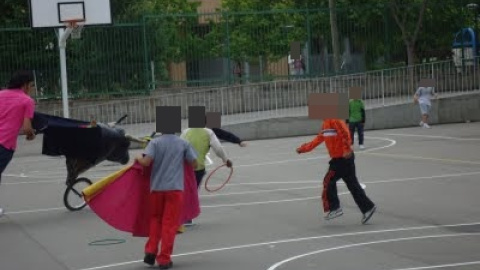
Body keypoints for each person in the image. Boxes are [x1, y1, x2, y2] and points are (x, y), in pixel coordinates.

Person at [135, 132, 198, 269]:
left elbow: (146, 162)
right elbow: (194, 164)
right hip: (174, 189)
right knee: (169, 224)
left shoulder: (155, 142)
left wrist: (138, 156)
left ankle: (151, 251)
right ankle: (164, 258)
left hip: (156, 189)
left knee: (155, 220)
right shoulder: (183, 143)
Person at [296, 118, 376, 224]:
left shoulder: (335, 120)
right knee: (353, 185)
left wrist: (347, 149)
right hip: (340, 159)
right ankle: (368, 208)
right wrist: (303, 148)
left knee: (328, 180)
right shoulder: (325, 124)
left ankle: (335, 208)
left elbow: (345, 133)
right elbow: (318, 139)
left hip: (342, 158)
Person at [0, 70, 37, 217]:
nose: (32, 89)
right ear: (25, 85)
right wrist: (31, 135)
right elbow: (27, 127)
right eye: (31, 85)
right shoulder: (27, 101)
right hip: (4, 144)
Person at [180, 126, 232, 226]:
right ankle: (186, 218)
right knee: (192, 192)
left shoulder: (185, 132)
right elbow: (218, 149)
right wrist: (226, 160)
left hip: (184, 167)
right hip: (198, 167)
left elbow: (179, 147)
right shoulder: (208, 132)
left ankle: (180, 216)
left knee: (184, 191)